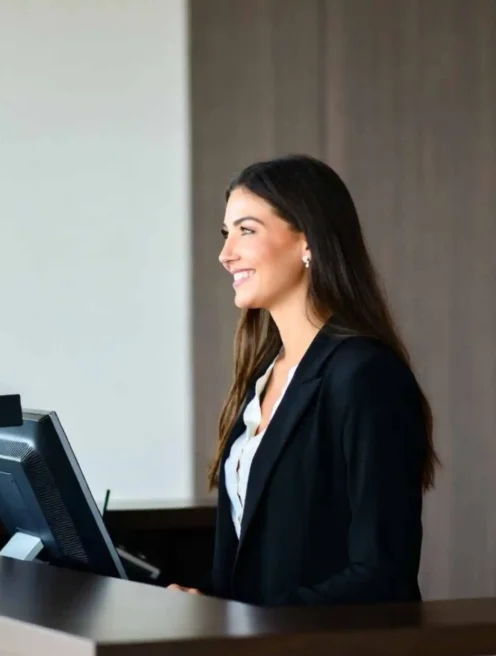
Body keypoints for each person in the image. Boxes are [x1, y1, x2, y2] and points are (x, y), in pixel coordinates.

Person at [168, 154, 439, 606]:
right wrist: (208, 603)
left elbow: (382, 575)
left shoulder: (366, 376)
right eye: (226, 232)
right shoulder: (261, 379)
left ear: (307, 240)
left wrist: (251, 623)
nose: (225, 252)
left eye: (246, 230)